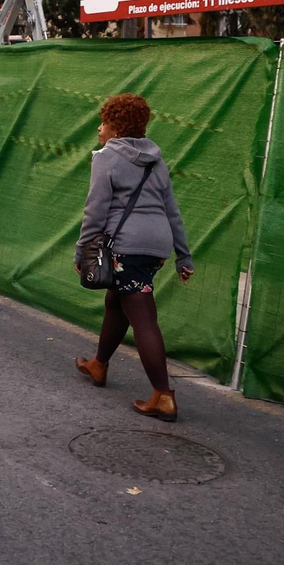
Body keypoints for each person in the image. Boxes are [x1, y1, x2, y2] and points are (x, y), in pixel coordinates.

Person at [73, 92, 194, 421]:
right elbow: (172, 211)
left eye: (104, 121)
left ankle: (163, 396)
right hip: (157, 247)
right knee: (117, 301)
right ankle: (99, 364)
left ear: (116, 126)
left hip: (127, 247)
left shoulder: (106, 158)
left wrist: (83, 250)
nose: (99, 128)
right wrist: (184, 256)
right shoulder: (157, 160)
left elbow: (95, 214)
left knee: (143, 317)